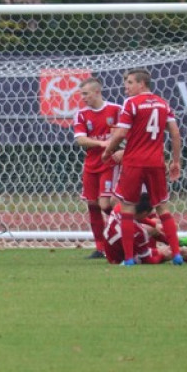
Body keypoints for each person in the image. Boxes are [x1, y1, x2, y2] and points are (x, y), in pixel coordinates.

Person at [102, 68, 185, 266]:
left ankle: (129, 259)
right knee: (162, 208)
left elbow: (121, 134)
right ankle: (176, 255)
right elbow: (175, 133)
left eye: (130, 82)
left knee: (127, 208)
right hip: (156, 162)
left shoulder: (131, 103)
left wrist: (108, 151)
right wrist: (176, 161)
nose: (126, 87)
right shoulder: (163, 103)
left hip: (134, 163)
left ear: (142, 84)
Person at [102, 195, 187, 265]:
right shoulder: (138, 233)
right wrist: (164, 256)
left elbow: (139, 221)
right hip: (119, 259)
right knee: (177, 252)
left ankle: (176, 242)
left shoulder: (120, 208)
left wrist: (153, 224)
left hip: (113, 249)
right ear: (144, 213)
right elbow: (148, 260)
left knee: (154, 228)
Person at [73, 77, 123, 259]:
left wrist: (121, 149)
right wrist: (102, 144)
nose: (83, 98)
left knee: (105, 204)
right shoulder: (81, 114)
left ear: (97, 92)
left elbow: (125, 133)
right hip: (91, 164)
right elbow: (80, 139)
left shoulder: (116, 110)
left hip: (109, 163)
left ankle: (136, 226)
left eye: (86, 94)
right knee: (92, 204)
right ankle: (100, 248)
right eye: (81, 94)